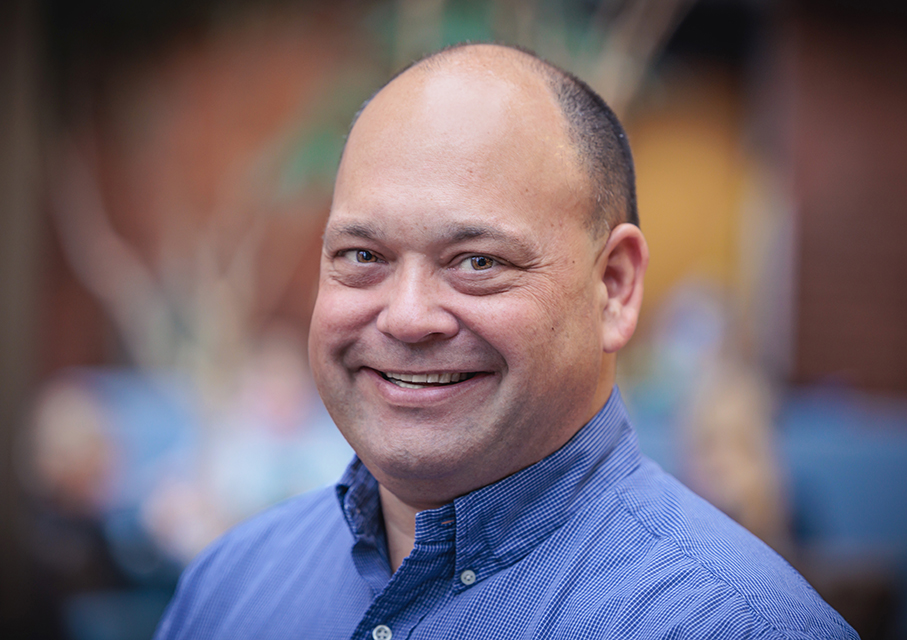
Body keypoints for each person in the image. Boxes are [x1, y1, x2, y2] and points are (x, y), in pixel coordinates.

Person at [154, 43, 857, 639]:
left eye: (477, 262)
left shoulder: (733, 625)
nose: (406, 317)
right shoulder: (229, 589)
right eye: (363, 256)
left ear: (612, 287)